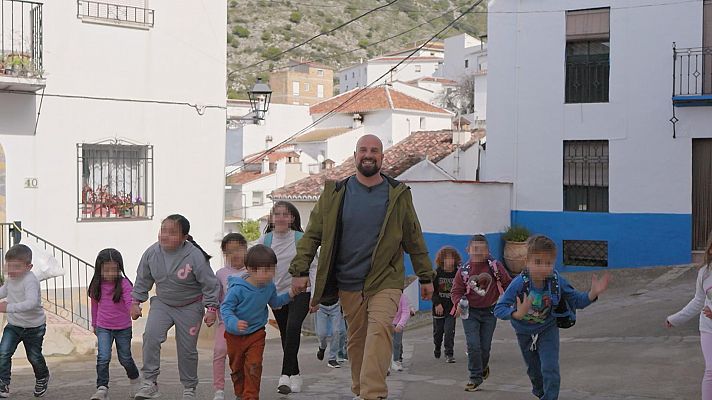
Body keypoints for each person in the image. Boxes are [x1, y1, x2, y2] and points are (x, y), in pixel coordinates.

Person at [289, 134, 435, 400]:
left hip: (386, 279)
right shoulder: (335, 194)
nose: (369, 155)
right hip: (348, 282)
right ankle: (360, 389)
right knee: (357, 341)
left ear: (382, 157)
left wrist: (426, 276)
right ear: (355, 156)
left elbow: (413, 236)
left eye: (375, 151)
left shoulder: (398, 194)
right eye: (364, 150)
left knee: (380, 330)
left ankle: (373, 394)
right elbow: (312, 235)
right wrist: (300, 271)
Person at [494, 235, 610, 400]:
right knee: (534, 371)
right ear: (527, 261)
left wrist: (593, 293)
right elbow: (499, 309)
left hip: (547, 330)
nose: (543, 268)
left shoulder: (556, 281)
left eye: (548, 263)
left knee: (550, 368)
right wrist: (517, 313)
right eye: (538, 262)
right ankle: (540, 392)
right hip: (524, 332)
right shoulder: (519, 283)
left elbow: (577, 300)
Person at [131, 214, 220, 400]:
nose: (165, 235)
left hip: (190, 306)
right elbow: (142, 279)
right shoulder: (151, 253)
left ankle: (189, 387)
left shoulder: (194, 255)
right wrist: (136, 302)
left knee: (187, 349)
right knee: (151, 337)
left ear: (184, 237)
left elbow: (210, 284)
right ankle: (149, 382)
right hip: (163, 304)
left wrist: (212, 308)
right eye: (163, 230)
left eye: (172, 232)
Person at [221, 244, 297, 400]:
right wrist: (234, 323)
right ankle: (240, 393)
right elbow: (226, 309)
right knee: (237, 368)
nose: (268, 274)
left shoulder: (269, 286)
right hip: (234, 336)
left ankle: (251, 396)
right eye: (263, 270)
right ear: (249, 269)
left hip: (256, 333)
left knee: (254, 365)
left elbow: (275, 302)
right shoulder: (237, 289)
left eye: (271, 269)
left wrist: (290, 294)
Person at [255, 201, 316, 394]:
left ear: (292, 219)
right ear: (272, 219)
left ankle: (284, 376)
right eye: (277, 214)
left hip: (300, 291)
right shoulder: (264, 241)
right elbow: (253, 266)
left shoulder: (301, 238)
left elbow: (314, 267)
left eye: (285, 214)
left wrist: (315, 296)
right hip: (277, 294)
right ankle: (295, 374)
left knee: (292, 327)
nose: (281, 218)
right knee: (285, 334)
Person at [451, 234, 512, 391]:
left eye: (482, 249)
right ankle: (475, 377)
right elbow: (456, 291)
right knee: (473, 345)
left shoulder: (495, 266)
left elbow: (508, 284)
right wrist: (458, 303)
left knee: (485, 347)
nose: (478, 252)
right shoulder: (463, 271)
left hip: (490, 311)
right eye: (475, 249)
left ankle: (483, 366)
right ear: (468, 250)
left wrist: (511, 301)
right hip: (469, 312)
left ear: (488, 251)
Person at [88, 248, 140, 400]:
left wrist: (133, 309)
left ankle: (135, 379)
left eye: (114, 270)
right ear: (99, 269)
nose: (110, 273)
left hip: (123, 328)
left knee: (125, 358)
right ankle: (102, 388)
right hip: (103, 327)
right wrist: (95, 325)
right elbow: (94, 306)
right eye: (106, 270)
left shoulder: (124, 283)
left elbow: (130, 299)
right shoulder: (96, 285)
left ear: (120, 268)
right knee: (103, 357)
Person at [0, 244, 50, 398]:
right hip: (14, 325)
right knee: (3, 353)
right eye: (9, 266)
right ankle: (3, 384)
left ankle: (42, 376)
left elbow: (31, 303)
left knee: (33, 356)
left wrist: (8, 307)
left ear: (29, 267)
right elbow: (4, 290)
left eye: (16, 267)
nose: (11, 271)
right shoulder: (11, 278)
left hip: (34, 327)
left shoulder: (30, 281)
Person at [666, 234, 712, 400]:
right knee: (711, 370)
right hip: (708, 328)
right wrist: (675, 318)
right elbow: (698, 301)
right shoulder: (704, 273)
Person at [213, 233, 249, 400]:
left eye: (238, 250)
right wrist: (211, 312)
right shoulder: (220, 273)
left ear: (245, 249)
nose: (235, 255)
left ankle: (241, 391)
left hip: (249, 324)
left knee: (242, 359)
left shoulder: (253, 272)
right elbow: (215, 297)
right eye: (229, 252)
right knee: (220, 351)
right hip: (226, 323)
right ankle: (219, 390)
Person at [431, 246, 461, 362]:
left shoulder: (458, 273)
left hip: (452, 308)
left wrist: (459, 305)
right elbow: (432, 291)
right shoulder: (436, 273)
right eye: (447, 259)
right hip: (439, 307)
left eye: (452, 259)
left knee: (449, 331)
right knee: (438, 332)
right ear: (442, 260)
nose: (450, 261)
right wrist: (437, 303)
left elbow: (462, 290)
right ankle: (437, 347)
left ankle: (449, 353)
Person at [390, 276, 416, 372]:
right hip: (387, 324)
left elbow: (405, 311)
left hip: (397, 324)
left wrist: (400, 324)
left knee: (397, 343)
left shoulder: (402, 297)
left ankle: (397, 360)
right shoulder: (384, 298)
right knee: (386, 344)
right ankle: (387, 363)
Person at [315, 298, 345, 369]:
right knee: (321, 333)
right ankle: (322, 347)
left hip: (335, 305)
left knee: (336, 332)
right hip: (321, 306)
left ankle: (332, 358)